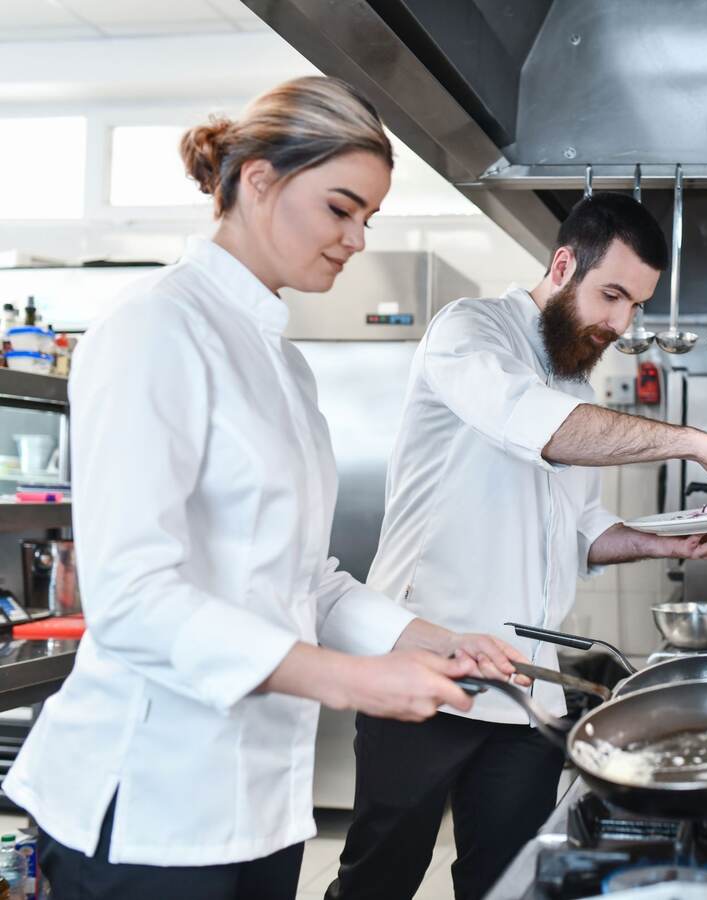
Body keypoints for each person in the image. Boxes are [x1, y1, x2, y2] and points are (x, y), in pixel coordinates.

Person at [1, 76, 528, 900]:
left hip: (261, 806)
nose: (355, 239)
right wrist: (355, 682)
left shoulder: (284, 362)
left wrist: (422, 637)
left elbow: (299, 577)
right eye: (340, 208)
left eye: (369, 219)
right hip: (149, 806)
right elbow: (133, 597)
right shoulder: (153, 328)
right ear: (259, 180)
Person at [328, 192, 707, 900]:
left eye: (636, 306)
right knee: (379, 878)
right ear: (564, 264)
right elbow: (538, 424)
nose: (621, 324)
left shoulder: (569, 376)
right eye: (613, 295)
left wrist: (665, 546)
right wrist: (693, 440)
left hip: (527, 685)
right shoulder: (468, 333)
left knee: (508, 882)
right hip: (424, 666)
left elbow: (584, 531)